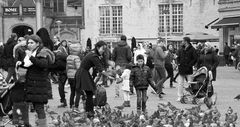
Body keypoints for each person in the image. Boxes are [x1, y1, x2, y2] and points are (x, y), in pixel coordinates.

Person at [16, 35, 55, 127]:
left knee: (39, 107)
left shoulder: (42, 51)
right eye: (28, 43)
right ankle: (24, 123)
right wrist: (21, 63)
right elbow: (30, 66)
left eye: (31, 43)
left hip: (39, 84)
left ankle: (42, 125)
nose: (29, 44)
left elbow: (43, 64)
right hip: (31, 83)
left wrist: (31, 57)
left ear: (38, 43)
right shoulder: (33, 52)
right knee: (25, 105)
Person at [75, 41, 110, 118]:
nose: (103, 51)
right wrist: (109, 76)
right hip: (83, 73)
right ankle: (89, 112)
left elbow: (100, 66)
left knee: (89, 93)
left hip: (83, 72)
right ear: (98, 48)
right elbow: (100, 68)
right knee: (89, 93)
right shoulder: (93, 56)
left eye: (105, 49)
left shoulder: (93, 53)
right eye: (102, 49)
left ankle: (89, 110)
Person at [176, 37, 198, 102]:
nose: (182, 42)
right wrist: (178, 63)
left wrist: (190, 65)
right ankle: (180, 96)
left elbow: (195, 58)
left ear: (186, 41)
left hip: (188, 69)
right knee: (180, 83)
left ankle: (191, 95)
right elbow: (178, 56)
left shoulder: (192, 49)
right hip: (181, 68)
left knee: (190, 83)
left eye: (183, 41)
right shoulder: (180, 48)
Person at [36, 28, 55, 100]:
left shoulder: (40, 43)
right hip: (49, 61)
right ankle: (49, 93)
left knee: (41, 78)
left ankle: (43, 93)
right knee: (47, 78)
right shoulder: (50, 42)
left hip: (42, 60)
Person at [66, 41, 81, 109]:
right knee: (78, 91)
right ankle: (76, 105)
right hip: (75, 76)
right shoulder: (76, 58)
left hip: (70, 76)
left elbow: (67, 67)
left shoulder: (68, 57)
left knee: (72, 91)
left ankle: (71, 104)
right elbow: (78, 68)